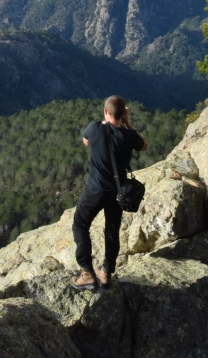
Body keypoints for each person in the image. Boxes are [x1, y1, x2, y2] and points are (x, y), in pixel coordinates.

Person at [70, 95, 148, 291]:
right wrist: (128, 124)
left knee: (80, 225)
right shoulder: (129, 136)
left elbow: (86, 142)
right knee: (112, 230)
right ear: (123, 114)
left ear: (106, 112)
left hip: (95, 189)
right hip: (118, 191)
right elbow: (144, 146)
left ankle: (87, 273)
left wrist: (106, 124)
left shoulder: (95, 128)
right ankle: (105, 272)